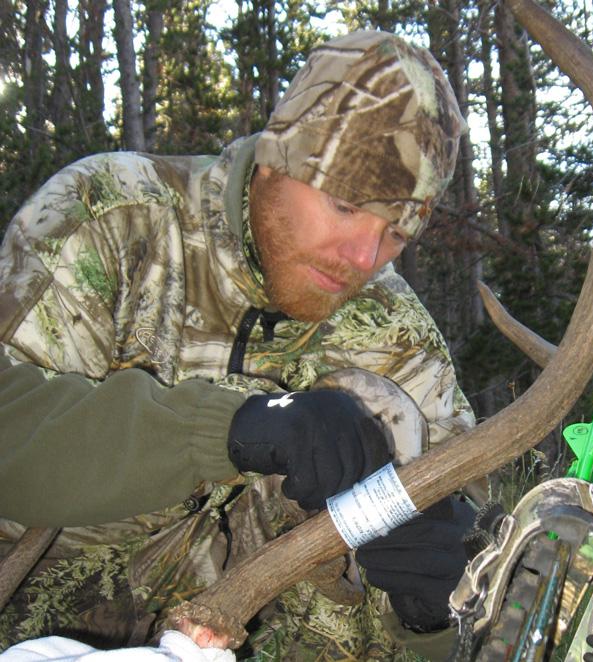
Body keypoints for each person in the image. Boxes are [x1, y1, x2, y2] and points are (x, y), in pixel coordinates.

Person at [0, 30, 477, 660]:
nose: (364, 257)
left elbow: (472, 598)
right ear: (275, 158)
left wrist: (434, 613)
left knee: (386, 425)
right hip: (26, 625)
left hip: (238, 639)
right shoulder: (114, 216)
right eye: (344, 205)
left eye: (396, 232)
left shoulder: (394, 334)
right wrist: (225, 428)